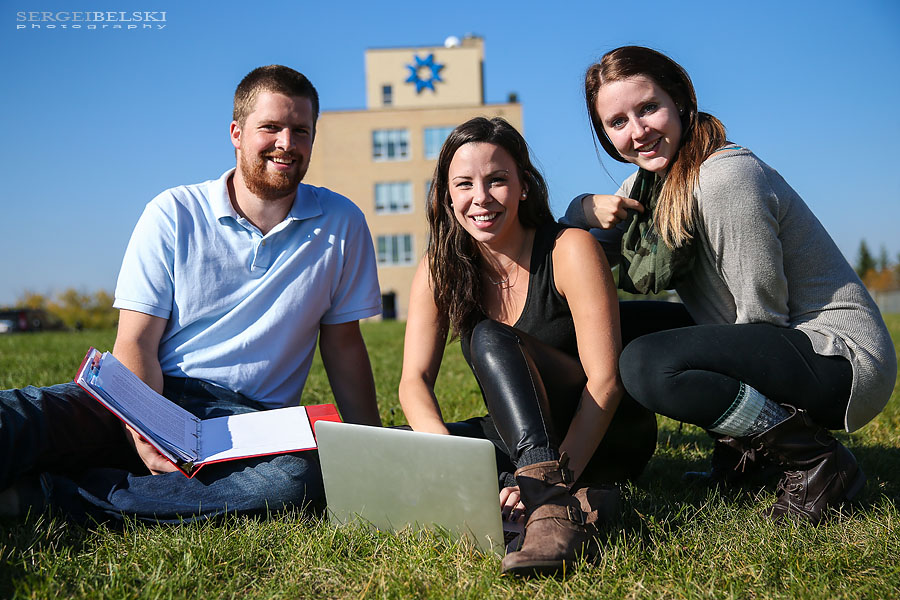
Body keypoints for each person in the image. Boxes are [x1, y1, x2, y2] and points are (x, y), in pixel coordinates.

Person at [0, 65, 383, 523]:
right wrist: (143, 426)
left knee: (300, 480)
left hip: (246, 424)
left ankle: (49, 496)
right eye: (271, 127)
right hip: (149, 392)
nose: (286, 143)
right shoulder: (173, 212)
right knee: (17, 417)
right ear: (237, 133)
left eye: (300, 130)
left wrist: (374, 449)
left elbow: (343, 345)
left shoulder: (342, 222)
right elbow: (136, 340)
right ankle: (108, 470)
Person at [563, 46, 896, 525]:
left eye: (648, 108)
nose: (637, 131)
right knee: (602, 329)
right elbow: (570, 262)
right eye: (617, 122)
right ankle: (744, 457)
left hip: (839, 357)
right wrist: (579, 210)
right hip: (772, 341)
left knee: (647, 363)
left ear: (679, 100)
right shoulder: (646, 188)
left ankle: (815, 461)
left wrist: (707, 375)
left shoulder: (725, 177)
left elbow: (763, 317)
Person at [398, 117, 657, 576]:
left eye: (497, 179)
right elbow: (414, 383)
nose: (481, 197)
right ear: (445, 195)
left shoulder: (569, 248)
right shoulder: (440, 268)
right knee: (398, 449)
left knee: (488, 336)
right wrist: (453, 467)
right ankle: (566, 499)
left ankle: (550, 503)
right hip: (522, 434)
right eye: (464, 184)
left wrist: (547, 480)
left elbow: (607, 381)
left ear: (523, 187)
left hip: (604, 432)